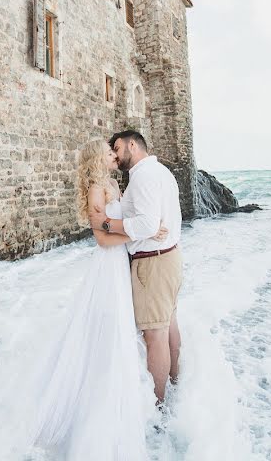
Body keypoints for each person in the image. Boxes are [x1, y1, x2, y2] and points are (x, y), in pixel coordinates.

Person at [29, 139, 164, 460]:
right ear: (96, 160)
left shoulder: (115, 184)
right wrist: (143, 232)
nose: (113, 155)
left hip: (123, 261)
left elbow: (121, 220)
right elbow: (103, 238)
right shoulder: (95, 189)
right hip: (109, 266)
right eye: (107, 152)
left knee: (124, 323)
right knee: (111, 325)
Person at [92, 130, 183, 404]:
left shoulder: (143, 176)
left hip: (153, 263)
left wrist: (108, 224)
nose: (116, 155)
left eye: (117, 148)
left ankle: (158, 406)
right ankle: (176, 386)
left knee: (154, 334)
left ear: (133, 144)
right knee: (168, 326)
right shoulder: (161, 172)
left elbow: (146, 225)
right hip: (170, 257)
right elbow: (150, 224)